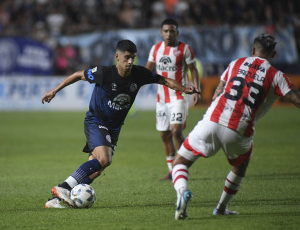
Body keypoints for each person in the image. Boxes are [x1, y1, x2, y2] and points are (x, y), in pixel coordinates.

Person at [41, 39, 199, 208]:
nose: (130, 61)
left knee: (97, 169)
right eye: (127, 57)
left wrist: (184, 89)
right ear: (117, 57)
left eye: (133, 57)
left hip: (115, 127)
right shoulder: (104, 73)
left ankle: (54, 200)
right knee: (104, 159)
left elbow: (164, 81)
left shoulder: (140, 74)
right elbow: (78, 75)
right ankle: (63, 188)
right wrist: (54, 90)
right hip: (96, 120)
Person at [172, 33, 300, 220]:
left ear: (253, 50)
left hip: (212, 121)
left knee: (180, 162)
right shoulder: (276, 75)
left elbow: (217, 92)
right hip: (239, 129)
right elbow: (296, 99)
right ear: (274, 54)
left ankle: (182, 192)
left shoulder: (236, 63)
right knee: (241, 166)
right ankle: (221, 208)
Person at [146, 18, 200, 180]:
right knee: (164, 135)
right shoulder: (155, 49)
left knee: (176, 130)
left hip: (179, 96)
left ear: (177, 32)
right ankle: (172, 171)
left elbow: (193, 69)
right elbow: (147, 71)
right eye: (166, 31)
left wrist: (197, 89)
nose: (169, 34)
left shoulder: (185, 49)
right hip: (161, 99)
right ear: (161, 32)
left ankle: (182, 163)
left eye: (172, 31)